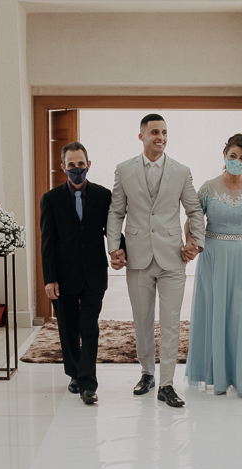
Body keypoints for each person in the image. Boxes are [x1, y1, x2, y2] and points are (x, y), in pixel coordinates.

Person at [106, 114, 206, 408]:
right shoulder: (124, 170)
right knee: (142, 321)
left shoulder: (181, 171)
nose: (160, 137)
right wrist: (114, 247)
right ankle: (147, 373)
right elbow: (116, 213)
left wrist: (195, 243)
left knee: (172, 322)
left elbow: (195, 211)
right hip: (137, 256)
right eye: (154, 132)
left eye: (164, 132)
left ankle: (166, 384)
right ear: (142, 136)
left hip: (173, 258)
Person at [184, 134, 242, 398]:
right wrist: (190, 242)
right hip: (214, 257)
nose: (237, 161)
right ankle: (216, 375)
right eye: (232, 156)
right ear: (224, 156)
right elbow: (192, 220)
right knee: (216, 312)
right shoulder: (208, 188)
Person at [40, 142, 113, 405]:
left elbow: (112, 231)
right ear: (63, 168)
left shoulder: (104, 196)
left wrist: (121, 251)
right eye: (71, 165)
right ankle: (74, 372)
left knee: (88, 327)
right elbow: (47, 243)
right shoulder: (50, 199)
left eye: (81, 164)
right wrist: (49, 278)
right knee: (68, 328)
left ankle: (87, 384)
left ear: (88, 165)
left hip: (94, 274)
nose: (77, 169)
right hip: (63, 277)